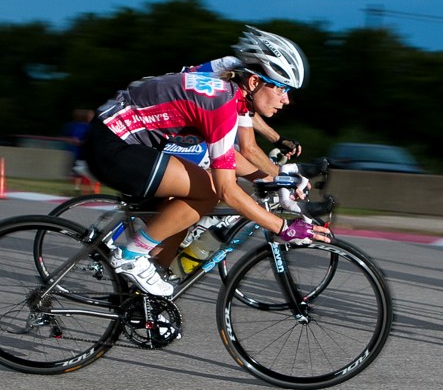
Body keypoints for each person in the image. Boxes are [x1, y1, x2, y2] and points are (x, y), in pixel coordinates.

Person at [82, 26, 331, 296]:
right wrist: (282, 227)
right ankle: (130, 254)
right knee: (209, 192)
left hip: (136, 143)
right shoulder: (222, 104)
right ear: (254, 82)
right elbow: (226, 186)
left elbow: (231, 157)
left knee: (181, 214)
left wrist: (276, 181)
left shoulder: (232, 95)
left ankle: (143, 302)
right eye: (282, 89)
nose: (286, 100)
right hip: (114, 146)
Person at [60, 108, 95, 177]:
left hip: (84, 149)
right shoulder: (71, 125)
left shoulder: (90, 127)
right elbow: (62, 136)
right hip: (71, 149)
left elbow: (91, 138)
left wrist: (83, 142)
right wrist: (70, 140)